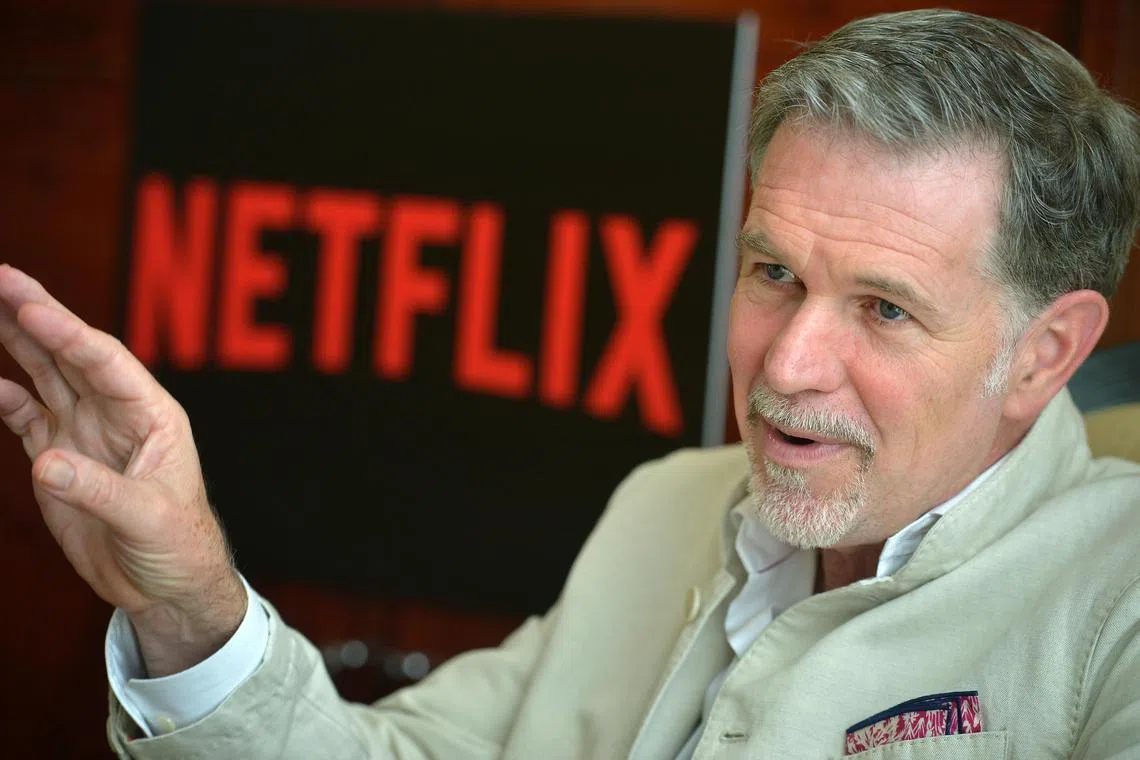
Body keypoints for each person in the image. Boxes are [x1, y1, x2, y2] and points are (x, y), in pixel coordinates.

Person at [2, 8, 1138, 759]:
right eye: (772, 273)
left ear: (1045, 352)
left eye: (884, 309)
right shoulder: (672, 501)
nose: (786, 365)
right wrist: (186, 602)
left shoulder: (1120, 602)